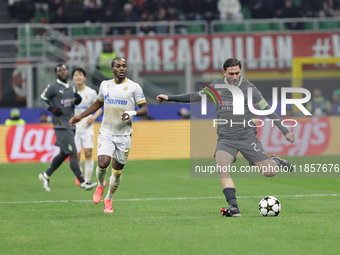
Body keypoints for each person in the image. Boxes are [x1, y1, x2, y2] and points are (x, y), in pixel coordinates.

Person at [156, 58, 295, 217]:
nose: (235, 76)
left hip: (247, 137)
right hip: (226, 139)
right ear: (224, 72)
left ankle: (276, 160)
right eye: (231, 73)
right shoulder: (217, 86)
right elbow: (195, 96)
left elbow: (267, 110)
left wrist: (285, 131)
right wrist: (170, 97)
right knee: (222, 167)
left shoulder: (249, 88)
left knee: (269, 172)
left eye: (237, 73)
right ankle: (234, 207)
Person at [69, 57, 148, 213]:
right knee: (103, 163)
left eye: (124, 66)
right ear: (112, 69)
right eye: (118, 66)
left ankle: (109, 199)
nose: (121, 68)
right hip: (106, 132)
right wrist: (81, 116)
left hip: (124, 135)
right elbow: (98, 103)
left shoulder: (134, 87)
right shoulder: (105, 85)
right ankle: (100, 184)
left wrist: (132, 113)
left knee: (117, 172)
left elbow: (144, 108)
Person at [38, 64, 97, 192]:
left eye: (64, 70)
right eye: (60, 71)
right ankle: (83, 182)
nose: (63, 72)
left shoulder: (72, 85)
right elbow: (41, 100)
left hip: (71, 124)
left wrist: (77, 99)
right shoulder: (53, 87)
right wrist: (52, 109)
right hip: (60, 125)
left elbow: (74, 100)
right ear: (56, 74)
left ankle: (45, 175)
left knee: (63, 154)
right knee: (73, 154)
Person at [72, 67, 103, 186]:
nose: (78, 77)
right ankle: (79, 171)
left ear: (84, 77)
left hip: (87, 128)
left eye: (81, 74)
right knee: (77, 156)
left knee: (89, 153)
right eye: (76, 75)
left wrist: (93, 118)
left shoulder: (91, 92)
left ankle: (87, 180)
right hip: (74, 128)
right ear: (73, 78)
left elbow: (99, 109)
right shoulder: (70, 93)